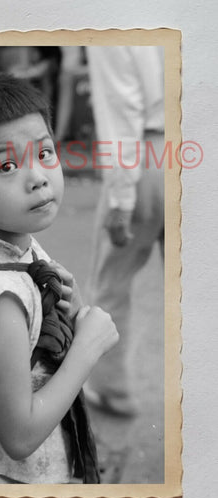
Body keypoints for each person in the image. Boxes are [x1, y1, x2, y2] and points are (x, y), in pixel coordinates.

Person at [0, 73, 119, 483]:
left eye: (45, 153)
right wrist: (87, 347)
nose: (38, 176)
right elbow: (20, 435)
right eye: (8, 165)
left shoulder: (14, 245)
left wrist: (73, 310)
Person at [85, 46, 165, 416]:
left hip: (150, 154)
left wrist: (120, 200)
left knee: (110, 283)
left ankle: (112, 389)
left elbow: (121, 111)